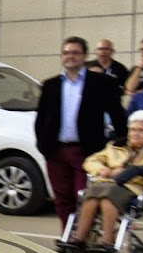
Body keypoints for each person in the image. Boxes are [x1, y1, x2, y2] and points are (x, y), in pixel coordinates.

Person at [36, 36, 126, 231]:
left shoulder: (101, 83)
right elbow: (41, 119)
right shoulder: (50, 85)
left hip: (87, 152)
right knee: (62, 198)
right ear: (61, 56)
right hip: (56, 151)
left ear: (85, 56)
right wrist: (43, 146)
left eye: (75, 53)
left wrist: (122, 146)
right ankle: (67, 234)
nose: (70, 56)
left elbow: (118, 116)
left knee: (84, 195)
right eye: (66, 53)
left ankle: (82, 236)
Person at [61, 111, 143, 253]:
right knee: (91, 196)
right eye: (132, 130)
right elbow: (91, 161)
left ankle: (106, 241)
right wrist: (101, 169)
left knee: (108, 197)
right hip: (106, 183)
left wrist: (130, 171)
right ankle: (79, 239)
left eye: (141, 130)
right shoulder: (115, 146)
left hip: (135, 187)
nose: (135, 134)